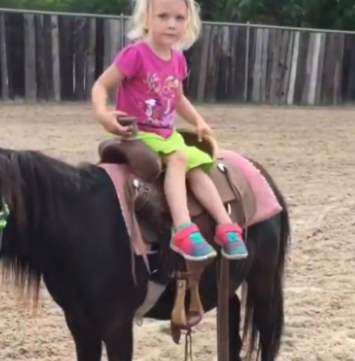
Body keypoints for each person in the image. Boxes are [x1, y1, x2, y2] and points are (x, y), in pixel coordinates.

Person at [90, 0, 248, 262]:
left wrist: (198, 120)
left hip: (166, 135)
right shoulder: (136, 54)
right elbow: (101, 86)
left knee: (198, 167)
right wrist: (102, 114)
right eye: (163, 16)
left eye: (179, 18)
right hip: (138, 134)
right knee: (180, 158)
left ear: (188, 23)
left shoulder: (177, 59)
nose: (171, 24)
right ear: (146, 19)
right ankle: (184, 230)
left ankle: (225, 226)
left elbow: (178, 98)